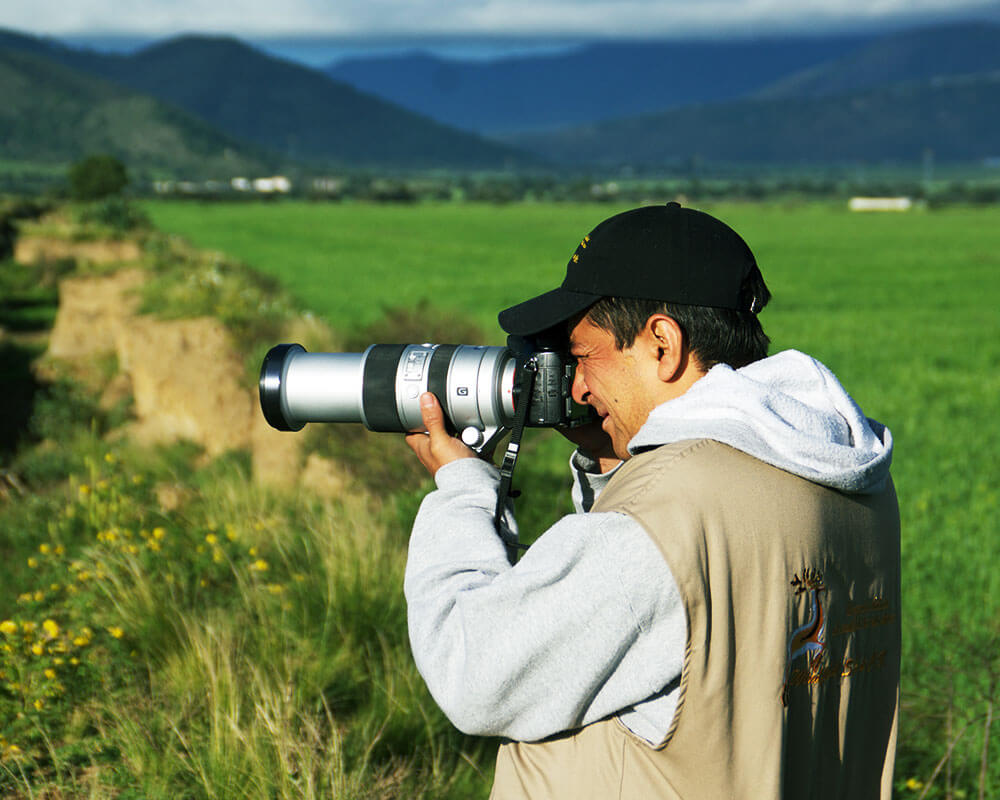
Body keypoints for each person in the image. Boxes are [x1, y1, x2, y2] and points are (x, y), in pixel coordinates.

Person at [403, 202, 900, 800]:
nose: (578, 387)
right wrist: (621, 464)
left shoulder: (667, 513)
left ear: (662, 344)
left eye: (584, 356)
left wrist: (461, 491)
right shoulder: (838, 470)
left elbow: (473, 671)